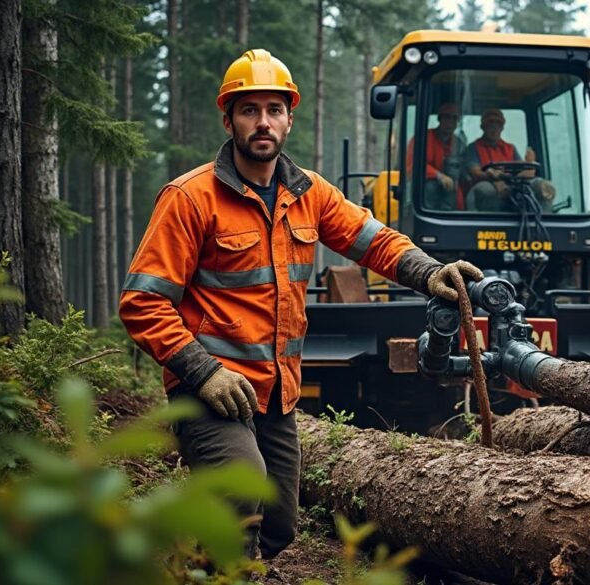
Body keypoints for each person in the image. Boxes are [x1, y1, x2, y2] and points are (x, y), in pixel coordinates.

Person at [118, 49, 483, 560]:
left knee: (279, 527)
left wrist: (428, 271)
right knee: (240, 495)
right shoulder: (190, 198)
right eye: (249, 110)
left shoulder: (309, 193)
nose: (262, 122)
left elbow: (373, 239)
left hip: (276, 394)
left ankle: (208, 560)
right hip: (209, 391)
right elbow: (143, 301)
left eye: (274, 110)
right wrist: (203, 372)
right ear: (228, 119)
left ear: (289, 118)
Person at [464, 108, 555, 212]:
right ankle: (490, 221)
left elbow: (522, 171)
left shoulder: (510, 148)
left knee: (543, 187)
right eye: (490, 124)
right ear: (483, 127)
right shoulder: (473, 148)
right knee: (485, 190)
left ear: (502, 127)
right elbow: (475, 173)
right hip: (488, 184)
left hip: (511, 184)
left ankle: (543, 220)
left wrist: (530, 165)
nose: (494, 128)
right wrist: (493, 178)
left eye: (498, 124)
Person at [406, 102, 466, 210]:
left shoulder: (459, 144)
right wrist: (439, 176)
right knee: (430, 187)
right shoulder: (422, 138)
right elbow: (413, 165)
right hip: (425, 190)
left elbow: (463, 170)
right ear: (439, 119)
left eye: (454, 119)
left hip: (451, 190)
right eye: (447, 118)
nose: (450, 122)